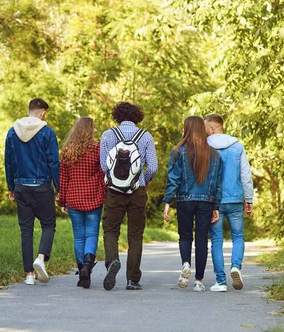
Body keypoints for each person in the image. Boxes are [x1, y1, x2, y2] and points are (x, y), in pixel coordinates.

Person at [100, 102, 158, 291]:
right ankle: (132, 280)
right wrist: (143, 179)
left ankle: (112, 261)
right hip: (137, 190)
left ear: (117, 116)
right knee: (135, 235)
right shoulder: (146, 136)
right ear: (137, 116)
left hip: (115, 191)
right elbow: (154, 167)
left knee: (110, 230)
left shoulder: (108, 135)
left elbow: (104, 166)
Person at [163, 116, 222, 292]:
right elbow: (217, 183)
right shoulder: (214, 154)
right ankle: (198, 281)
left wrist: (167, 201)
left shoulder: (178, 151)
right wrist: (216, 206)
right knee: (202, 240)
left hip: (184, 200)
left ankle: (186, 264)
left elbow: (174, 179)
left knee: (185, 236)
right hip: (206, 202)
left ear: (187, 128)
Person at [4, 98, 59, 285]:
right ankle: (41, 258)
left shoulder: (12, 132)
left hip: (20, 186)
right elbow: (53, 162)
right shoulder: (47, 132)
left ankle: (29, 275)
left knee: (26, 230)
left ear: (29, 110)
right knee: (48, 224)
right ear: (43, 112)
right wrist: (59, 189)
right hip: (42, 186)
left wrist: (11, 187)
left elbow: (9, 162)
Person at [204, 113, 254, 292]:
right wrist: (249, 199)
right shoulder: (238, 147)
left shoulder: (205, 147)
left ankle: (221, 281)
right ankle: (235, 267)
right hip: (234, 200)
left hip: (214, 202)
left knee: (216, 240)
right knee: (238, 236)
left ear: (211, 128)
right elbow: (246, 175)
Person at [58, 117, 106, 289]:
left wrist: (62, 199)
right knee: (91, 234)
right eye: (93, 128)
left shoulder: (67, 150)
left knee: (79, 235)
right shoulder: (97, 148)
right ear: (88, 130)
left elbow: (63, 178)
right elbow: (102, 175)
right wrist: (104, 194)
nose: (95, 130)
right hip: (93, 197)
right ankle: (87, 264)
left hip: (73, 197)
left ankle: (81, 270)